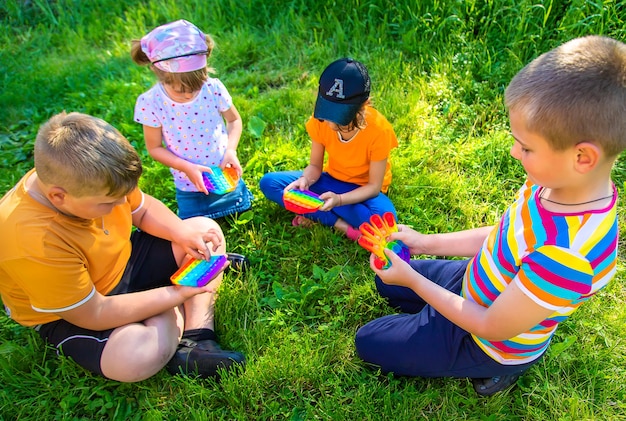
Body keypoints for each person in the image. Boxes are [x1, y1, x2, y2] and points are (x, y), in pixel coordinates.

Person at [354, 35, 626, 396]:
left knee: (368, 342)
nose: (514, 152)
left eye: (526, 147)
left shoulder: (567, 257)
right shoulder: (547, 184)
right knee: (386, 280)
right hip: (475, 280)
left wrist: (416, 282)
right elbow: (504, 235)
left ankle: (507, 369)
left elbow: (489, 325)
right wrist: (424, 242)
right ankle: (426, 307)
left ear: (582, 158)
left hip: (486, 338)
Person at [0, 112, 245, 382]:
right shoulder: (32, 241)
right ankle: (171, 298)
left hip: (122, 261)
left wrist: (182, 233)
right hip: (77, 310)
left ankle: (195, 338)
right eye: (107, 203)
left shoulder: (90, 176)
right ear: (58, 196)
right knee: (134, 358)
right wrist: (176, 295)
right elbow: (93, 312)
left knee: (203, 231)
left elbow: (143, 210)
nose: (119, 207)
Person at [259, 58, 399, 241]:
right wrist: (305, 180)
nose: (331, 124)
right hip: (331, 180)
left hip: (363, 191)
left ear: (365, 105)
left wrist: (339, 200)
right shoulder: (320, 122)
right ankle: (343, 226)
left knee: (383, 222)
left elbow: (373, 187)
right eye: (328, 113)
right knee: (270, 183)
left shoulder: (379, 130)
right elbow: (315, 166)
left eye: (341, 117)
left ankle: (316, 212)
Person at [132, 19, 253, 223]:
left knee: (241, 210)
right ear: (158, 72)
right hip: (188, 184)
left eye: (195, 87)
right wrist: (187, 167)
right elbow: (154, 148)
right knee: (194, 225)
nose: (189, 95)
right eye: (180, 89)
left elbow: (234, 121)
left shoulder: (212, 88)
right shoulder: (151, 103)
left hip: (225, 174)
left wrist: (231, 150)